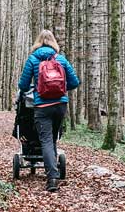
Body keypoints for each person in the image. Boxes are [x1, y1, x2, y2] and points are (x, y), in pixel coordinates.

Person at [17, 30, 80, 192]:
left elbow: (23, 85)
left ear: (38, 42)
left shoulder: (32, 59)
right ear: (53, 43)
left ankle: (52, 178)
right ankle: (53, 170)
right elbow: (74, 82)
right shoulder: (61, 59)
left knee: (45, 140)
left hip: (42, 106)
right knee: (52, 139)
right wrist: (61, 88)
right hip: (60, 105)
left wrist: (36, 87)